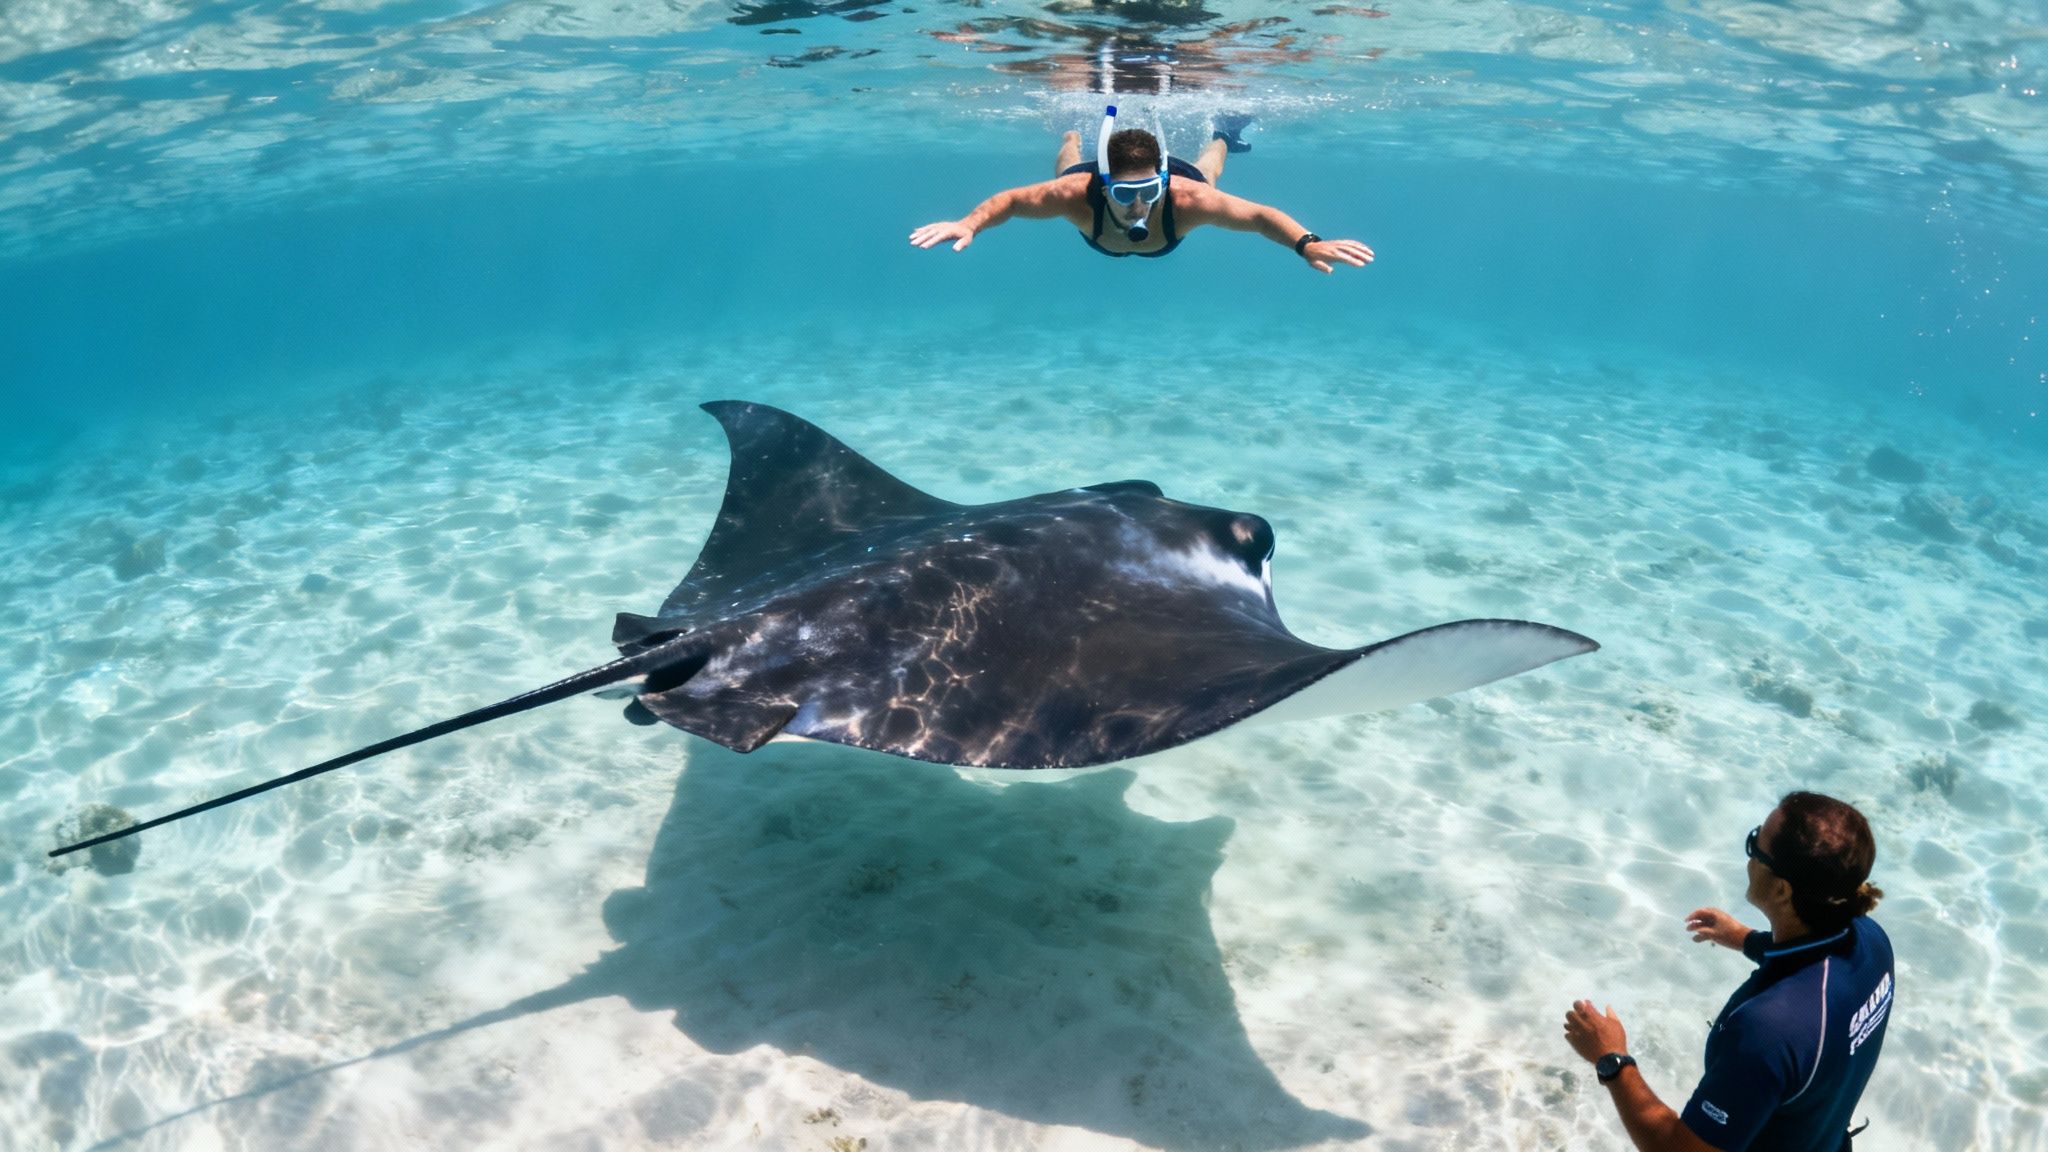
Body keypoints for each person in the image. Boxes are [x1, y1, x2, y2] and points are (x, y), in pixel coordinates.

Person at [1563, 792, 1894, 1152]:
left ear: (1783, 890)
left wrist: (1611, 1058)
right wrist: (1745, 939)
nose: (1749, 854)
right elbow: (1813, 971)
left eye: (1755, 843)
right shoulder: (1871, 942)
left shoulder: (1766, 1034)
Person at [909, 112, 1374, 272]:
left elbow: (1257, 216)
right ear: (1104, 183)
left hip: (1184, 189)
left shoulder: (1184, 200)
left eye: (1150, 189)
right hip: (1084, 181)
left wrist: (1307, 243)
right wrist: (967, 223)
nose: (1138, 203)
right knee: (1067, 168)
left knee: (1209, 173)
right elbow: (1009, 201)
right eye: (1125, 192)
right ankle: (1070, 134)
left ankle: (1224, 132)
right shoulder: (1079, 192)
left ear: (1162, 180)